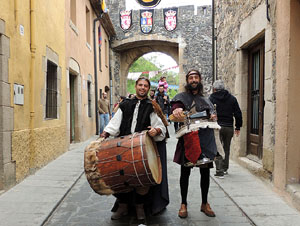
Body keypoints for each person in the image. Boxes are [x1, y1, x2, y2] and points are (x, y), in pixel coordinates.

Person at [100, 77, 169, 221]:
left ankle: (140, 208)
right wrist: (105, 133)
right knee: (122, 177)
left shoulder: (152, 106)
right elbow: (115, 122)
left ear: (148, 89)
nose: (142, 88)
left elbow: (161, 127)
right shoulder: (125, 104)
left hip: (142, 148)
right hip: (123, 147)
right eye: (140, 85)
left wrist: (156, 130)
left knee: (141, 180)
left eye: (145, 86)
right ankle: (123, 206)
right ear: (136, 86)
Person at [171, 69, 218, 219]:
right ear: (187, 80)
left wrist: (213, 115)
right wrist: (177, 110)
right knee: (185, 173)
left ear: (200, 79)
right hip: (189, 140)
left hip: (205, 140)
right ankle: (183, 204)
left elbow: (212, 113)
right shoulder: (181, 97)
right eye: (191, 77)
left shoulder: (206, 99)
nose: (193, 80)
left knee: (205, 173)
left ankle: (204, 203)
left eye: (196, 77)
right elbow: (175, 108)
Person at [209, 80, 243, 177]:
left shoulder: (211, 98)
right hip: (229, 127)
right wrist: (238, 126)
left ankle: (219, 170)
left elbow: (207, 112)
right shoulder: (232, 99)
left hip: (217, 126)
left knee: (217, 148)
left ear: (214, 89)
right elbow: (238, 113)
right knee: (226, 148)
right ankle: (225, 168)